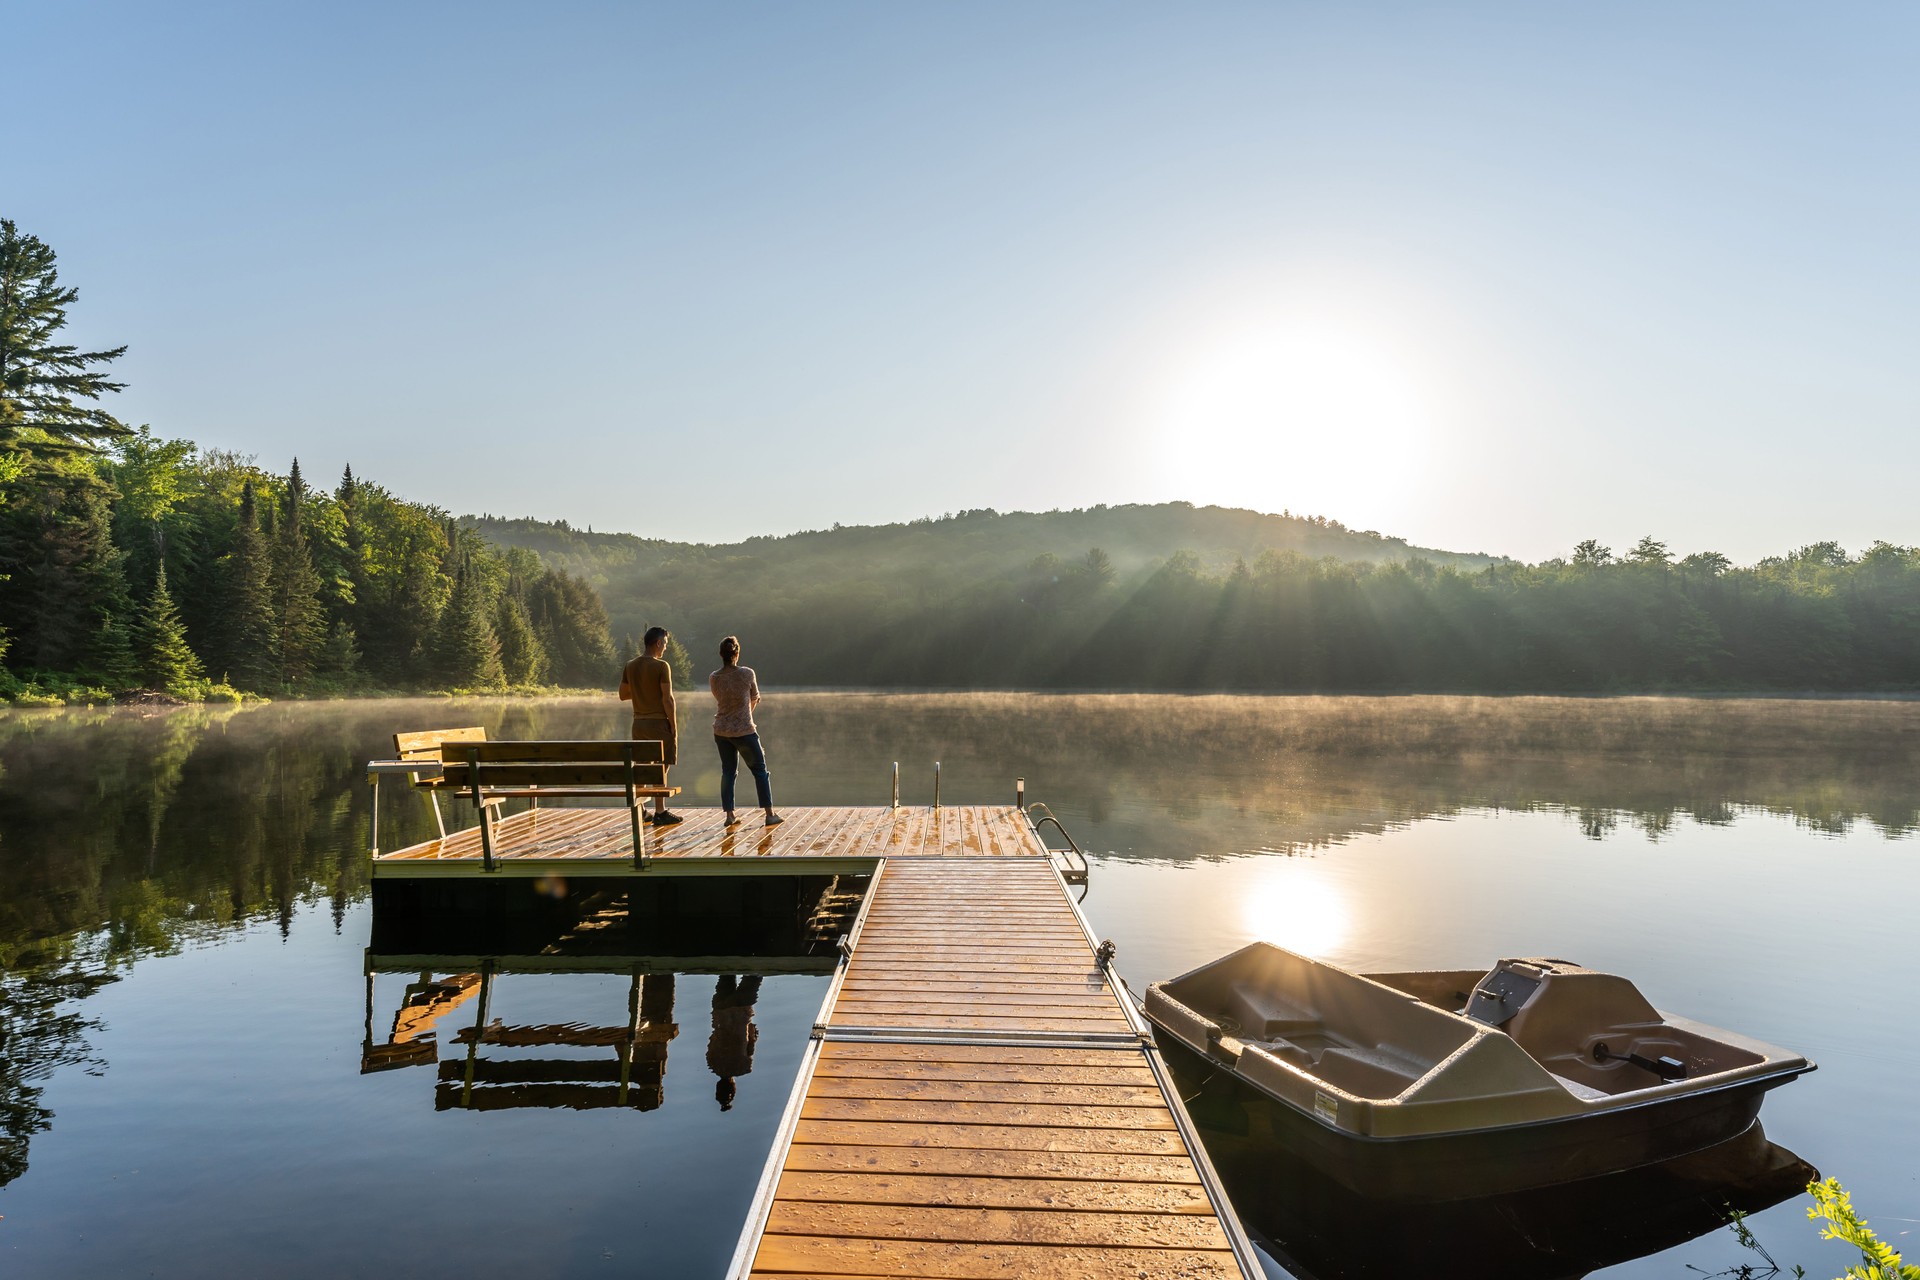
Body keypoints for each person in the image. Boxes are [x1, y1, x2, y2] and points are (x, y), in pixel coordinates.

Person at [709, 635, 781, 827]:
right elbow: (755, 697)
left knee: (728, 772)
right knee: (760, 771)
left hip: (721, 731)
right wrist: (744, 714)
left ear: (720, 655)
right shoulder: (747, 673)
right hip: (744, 731)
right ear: (737, 653)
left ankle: (730, 816)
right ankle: (769, 814)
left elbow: (720, 700)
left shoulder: (714, 677)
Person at [619, 626, 682, 826]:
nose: (665, 648)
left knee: (642, 766)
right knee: (661, 766)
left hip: (638, 724)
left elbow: (623, 694)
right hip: (658, 723)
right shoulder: (662, 666)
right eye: (665, 644)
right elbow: (668, 699)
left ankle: (642, 810)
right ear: (657, 643)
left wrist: (641, 691)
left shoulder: (630, 665)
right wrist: (673, 726)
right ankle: (661, 811)